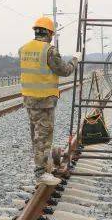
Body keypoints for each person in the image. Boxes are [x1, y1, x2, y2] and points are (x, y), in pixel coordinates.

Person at [20, 16, 81, 187]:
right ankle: (41, 173)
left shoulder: (24, 49)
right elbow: (65, 70)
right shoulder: (49, 51)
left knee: (36, 135)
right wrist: (75, 59)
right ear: (48, 32)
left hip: (29, 99)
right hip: (44, 100)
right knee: (44, 137)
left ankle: (43, 165)